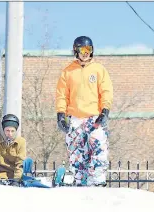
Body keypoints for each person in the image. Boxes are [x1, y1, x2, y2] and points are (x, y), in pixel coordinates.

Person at [55, 36, 113, 187]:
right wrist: (61, 114)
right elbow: (62, 95)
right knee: (76, 152)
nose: (86, 53)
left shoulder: (99, 70)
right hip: (75, 118)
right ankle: (80, 180)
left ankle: (97, 181)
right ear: (76, 51)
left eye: (89, 50)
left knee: (99, 147)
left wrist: (105, 111)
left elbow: (106, 91)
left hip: (94, 117)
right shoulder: (68, 72)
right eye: (82, 50)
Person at [0, 114, 26, 186]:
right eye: (7, 130)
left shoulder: (21, 142)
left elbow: (20, 164)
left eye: (12, 131)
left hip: (15, 177)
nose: (10, 133)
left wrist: (16, 180)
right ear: (3, 129)